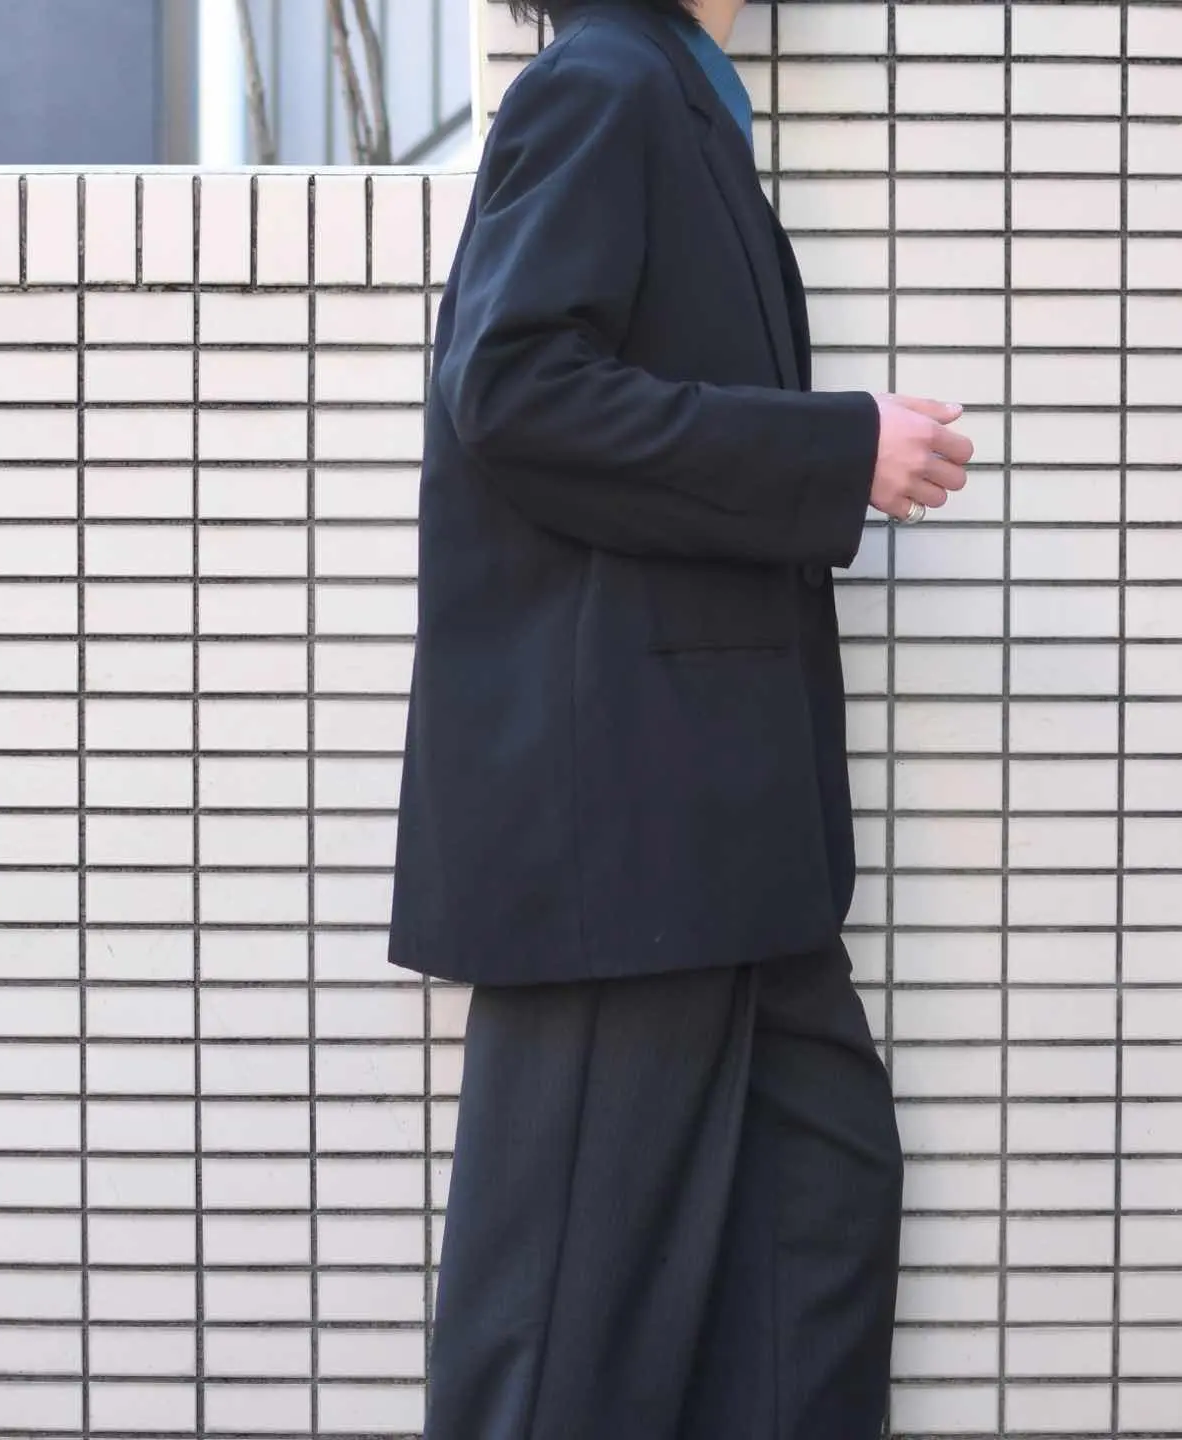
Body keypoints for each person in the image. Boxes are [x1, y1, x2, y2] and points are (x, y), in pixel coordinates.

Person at [387, 0, 973, 1433]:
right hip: (629, 827)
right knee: (566, 1318)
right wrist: (836, 449)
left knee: (815, 1211)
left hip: (719, 835)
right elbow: (513, 390)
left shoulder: (676, 99)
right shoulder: (604, 87)